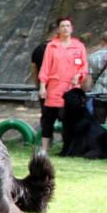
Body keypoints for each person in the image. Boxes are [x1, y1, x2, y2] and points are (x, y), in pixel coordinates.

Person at [38, 17, 88, 153]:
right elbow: (45, 67)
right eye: (62, 26)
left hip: (72, 90)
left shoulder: (79, 46)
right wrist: (43, 86)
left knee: (70, 121)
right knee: (48, 119)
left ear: (71, 29)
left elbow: (84, 66)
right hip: (54, 87)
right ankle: (44, 149)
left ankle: (70, 148)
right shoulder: (51, 46)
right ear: (58, 29)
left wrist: (79, 75)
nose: (65, 28)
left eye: (68, 26)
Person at [30, 22, 59, 87]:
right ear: (57, 34)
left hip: (43, 89)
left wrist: (39, 86)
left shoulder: (37, 49)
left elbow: (34, 71)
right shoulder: (60, 49)